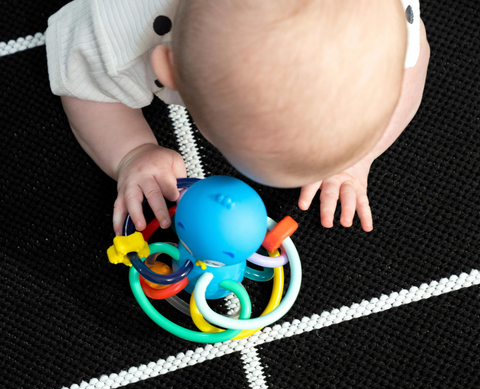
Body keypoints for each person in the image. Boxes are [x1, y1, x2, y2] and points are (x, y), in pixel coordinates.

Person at [46, 0, 430, 236]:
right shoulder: (122, 28)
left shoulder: (388, 13)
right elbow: (83, 81)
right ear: (169, 69)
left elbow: (411, 62)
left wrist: (358, 156)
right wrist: (132, 151)